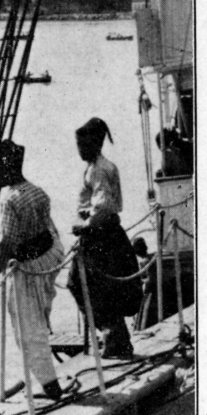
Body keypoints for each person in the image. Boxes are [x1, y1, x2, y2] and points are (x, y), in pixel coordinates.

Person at [0, 139, 66, 402]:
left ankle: (50, 385)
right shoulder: (38, 192)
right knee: (39, 319)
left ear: (6, 169)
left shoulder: (10, 200)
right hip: (47, 258)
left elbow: (8, 241)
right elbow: (47, 227)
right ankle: (45, 376)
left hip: (27, 266)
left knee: (25, 327)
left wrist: (0, 266)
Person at [68, 117, 141, 360]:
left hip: (100, 237)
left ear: (94, 144)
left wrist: (85, 226)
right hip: (109, 234)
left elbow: (104, 205)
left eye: (82, 144)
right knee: (105, 289)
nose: (79, 149)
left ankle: (113, 337)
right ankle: (115, 338)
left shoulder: (98, 169)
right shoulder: (100, 166)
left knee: (82, 285)